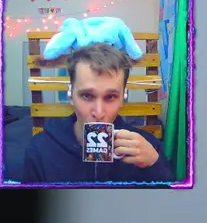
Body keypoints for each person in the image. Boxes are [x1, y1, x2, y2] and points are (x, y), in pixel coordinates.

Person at [21, 42, 174, 184]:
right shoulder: (40, 150)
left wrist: (155, 166)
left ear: (123, 97)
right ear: (71, 95)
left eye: (110, 97)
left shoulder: (148, 148)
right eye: (87, 96)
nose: (99, 112)